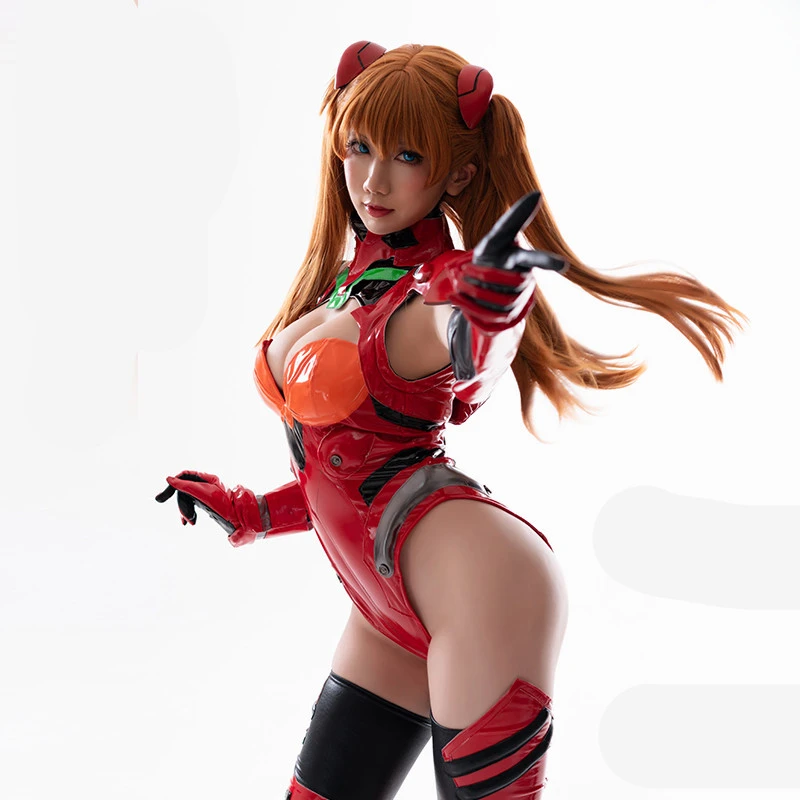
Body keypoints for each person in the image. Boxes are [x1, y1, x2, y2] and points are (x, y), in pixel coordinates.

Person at [156, 41, 743, 800]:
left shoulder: (433, 290)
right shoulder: (348, 283)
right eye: (359, 147)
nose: (373, 179)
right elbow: (354, 475)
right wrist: (251, 512)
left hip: (480, 586)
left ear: (457, 174)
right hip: (385, 602)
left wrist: (492, 308)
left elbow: (467, 339)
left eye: (406, 156)